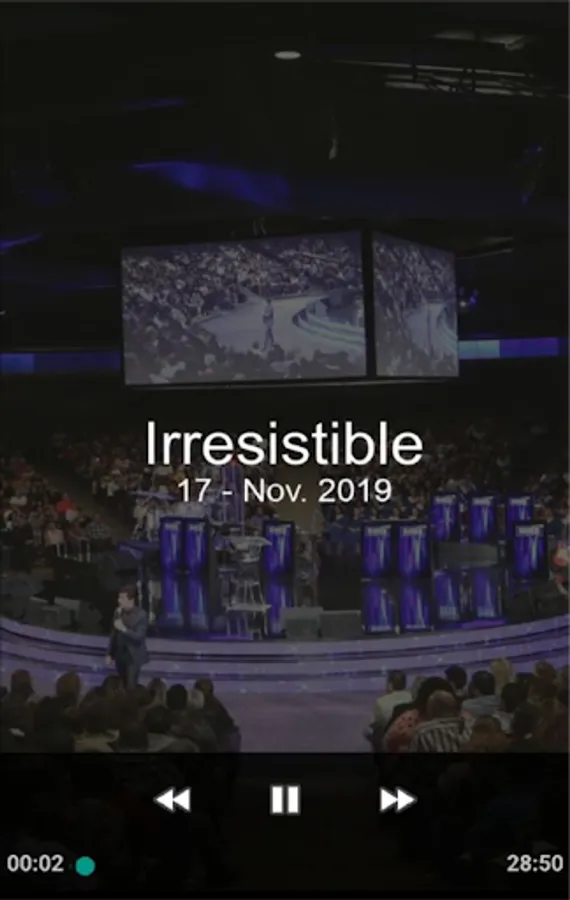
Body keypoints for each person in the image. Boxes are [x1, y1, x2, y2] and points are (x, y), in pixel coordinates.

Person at [105, 587, 149, 689]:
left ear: (131, 600)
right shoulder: (118, 612)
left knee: (130, 685)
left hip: (133, 656)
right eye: (119, 597)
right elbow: (114, 634)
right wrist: (109, 653)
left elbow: (139, 636)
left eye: (122, 598)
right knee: (121, 684)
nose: (119, 600)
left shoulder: (141, 615)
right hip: (120, 655)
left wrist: (124, 629)